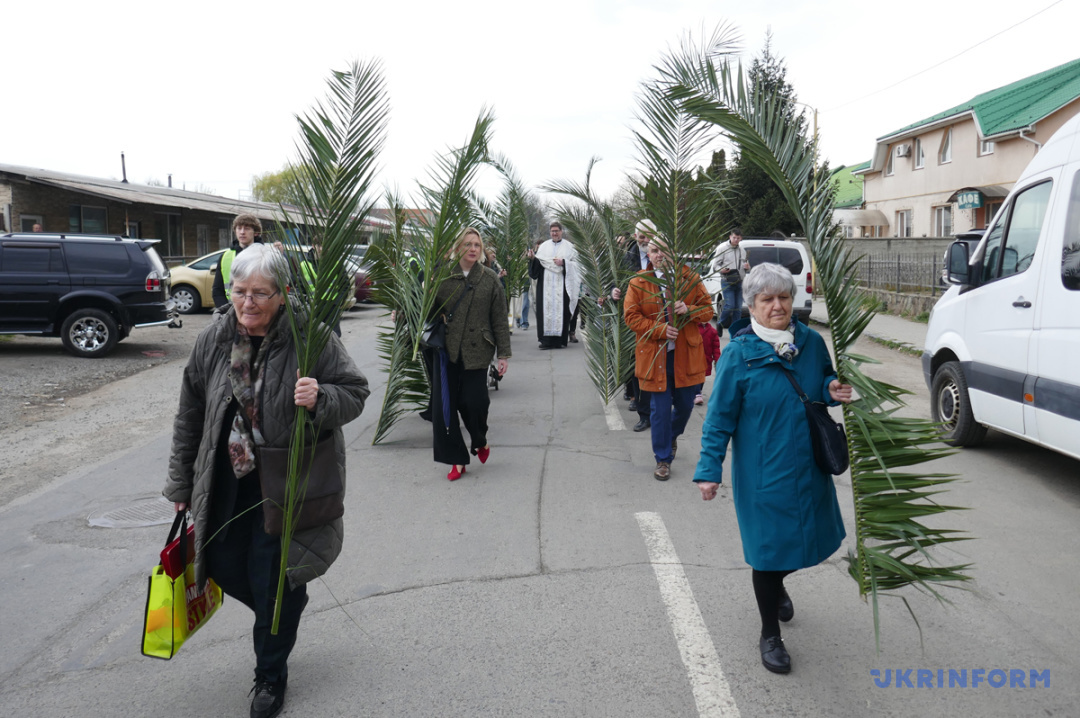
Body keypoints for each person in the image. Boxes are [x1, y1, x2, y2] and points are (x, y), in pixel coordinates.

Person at [164, 243, 369, 717]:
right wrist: (179, 485)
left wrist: (321, 397)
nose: (248, 302)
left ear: (282, 294)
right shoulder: (213, 339)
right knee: (222, 565)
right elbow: (190, 413)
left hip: (286, 484)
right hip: (226, 481)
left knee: (272, 580)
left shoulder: (309, 336)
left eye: (260, 293)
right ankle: (283, 608)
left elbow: (354, 392)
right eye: (240, 291)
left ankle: (269, 677)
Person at [693, 262, 853, 676]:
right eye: (767, 300)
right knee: (766, 555)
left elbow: (823, 384)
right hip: (764, 476)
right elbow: (719, 419)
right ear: (750, 306)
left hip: (808, 468)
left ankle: (779, 583)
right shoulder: (739, 355)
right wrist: (709, 469)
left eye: (784, 297)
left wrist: (832, 389)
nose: (778, 306)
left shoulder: (812, 342)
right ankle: (770, 634)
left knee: (804, 542)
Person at [623, 236, 713, 481]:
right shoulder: (639, 281)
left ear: (673, 253)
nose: (659, 255)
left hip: (686, 356)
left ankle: (670, 436)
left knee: (684, 407)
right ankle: (662, 459)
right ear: (648, 255)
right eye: (653, 251)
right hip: (655, 357)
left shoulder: (690, 278)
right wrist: (660, 330)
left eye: (663, 250)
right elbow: (631, 317)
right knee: (660, 411)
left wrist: (690, 310)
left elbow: (708, 310)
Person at [430, 228, 511, 481]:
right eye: (468, 244)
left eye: (477, 244)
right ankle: (456, 460)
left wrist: (503, 354)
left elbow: (499, 318)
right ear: (458, 248)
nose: (473, 249)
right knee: (446, 407)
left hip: (478, 349)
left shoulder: (489, 279)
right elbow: (428, 311)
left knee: (475, 403)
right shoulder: (442, 278)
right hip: (447, 352)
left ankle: (480, 440)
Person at [610, 220, 655, 431]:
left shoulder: (662, 256)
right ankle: (643, 412)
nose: (644, 240)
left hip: (660, 320)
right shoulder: (626, 256)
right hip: (635, 322)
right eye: (641, 236)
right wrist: (613, 292)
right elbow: (613, 280)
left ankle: (657, 409)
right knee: (638, 366)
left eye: (648, 236)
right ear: (635, 236)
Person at [528, 222, 580, 349]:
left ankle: (560, 341)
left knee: (561, 311)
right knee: (545, 311)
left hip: (562, 285)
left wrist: (564, 262)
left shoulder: (569, 247)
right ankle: (545, 341)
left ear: (561, 231)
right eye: (552, 231)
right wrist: (532, 259)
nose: (554, 233)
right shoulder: (544, 246)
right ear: (550, 232)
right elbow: (537, 268)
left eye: (557, 231)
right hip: (545, 286)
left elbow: (578, 266)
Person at [213, 214, 266, 309]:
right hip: (232, 312)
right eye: (239, 228)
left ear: (256, 232)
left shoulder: (265, 254)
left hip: (258, 311)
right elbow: (217, 290)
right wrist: (227, 313)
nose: (242, 232)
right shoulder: (225, 256)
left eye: (247, 228)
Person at [714, 228, 751, 329]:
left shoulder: (742, 251)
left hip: (740, 282)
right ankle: (720, 323)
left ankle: (736, 331)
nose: (735, 240)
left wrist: (748, 268)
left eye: (738, 238)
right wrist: (722, 269)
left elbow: (747, 267)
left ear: (740, 239)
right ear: (730, 237)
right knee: (730, 306)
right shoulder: (722, 249)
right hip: (727, 281)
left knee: (738, 309)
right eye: (734, 237)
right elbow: (715, 265)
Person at [694, 319, 721, 405]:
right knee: (695, 376)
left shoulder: (712, 331)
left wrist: (718, 359)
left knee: (702, 377)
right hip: (695, 357)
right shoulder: (694, 328)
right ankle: (697, 393)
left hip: (706, 359)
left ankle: (698, 392)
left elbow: (716, 347)